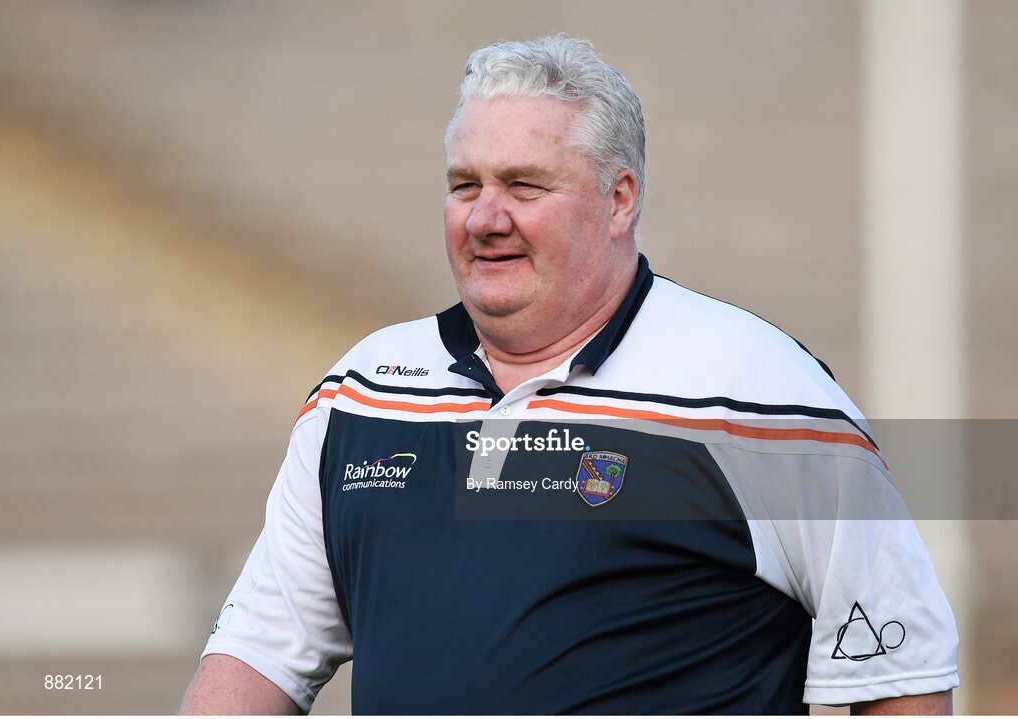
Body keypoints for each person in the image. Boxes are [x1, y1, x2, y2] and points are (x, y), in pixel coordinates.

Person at [181, 36, 959, 714]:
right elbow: (258, 650)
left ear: (620, 199)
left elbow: (905, 672)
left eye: (524, 186)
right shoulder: (360, 393)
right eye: (465, 186)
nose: (485, 217)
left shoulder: (762, 395)